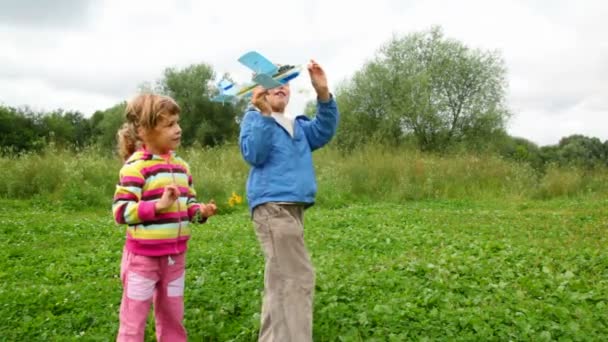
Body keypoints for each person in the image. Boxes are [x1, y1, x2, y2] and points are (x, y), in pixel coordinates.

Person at [239, 60, 340, 341]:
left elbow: (324, 130)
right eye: (272, 81)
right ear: (260, 89)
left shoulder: (298, 126)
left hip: (293, 210)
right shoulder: (255, 119)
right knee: (297, 278)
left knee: (281, 280)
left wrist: (323, 94)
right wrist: (262, 113)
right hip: (273, 208)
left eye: (285, 81)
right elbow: (254, 154)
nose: (280, 86)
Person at [112, 93, 217, 341]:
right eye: (169, 125)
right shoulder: (136, 167)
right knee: (133, 321)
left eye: (177, 122)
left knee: (173, 317)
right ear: (144, 130)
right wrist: (157, 206)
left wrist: (199, 212)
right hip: (142, 260)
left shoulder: (182, 167)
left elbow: (188, 202)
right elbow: (121, 211)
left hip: (174, 258)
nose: (178, 129)